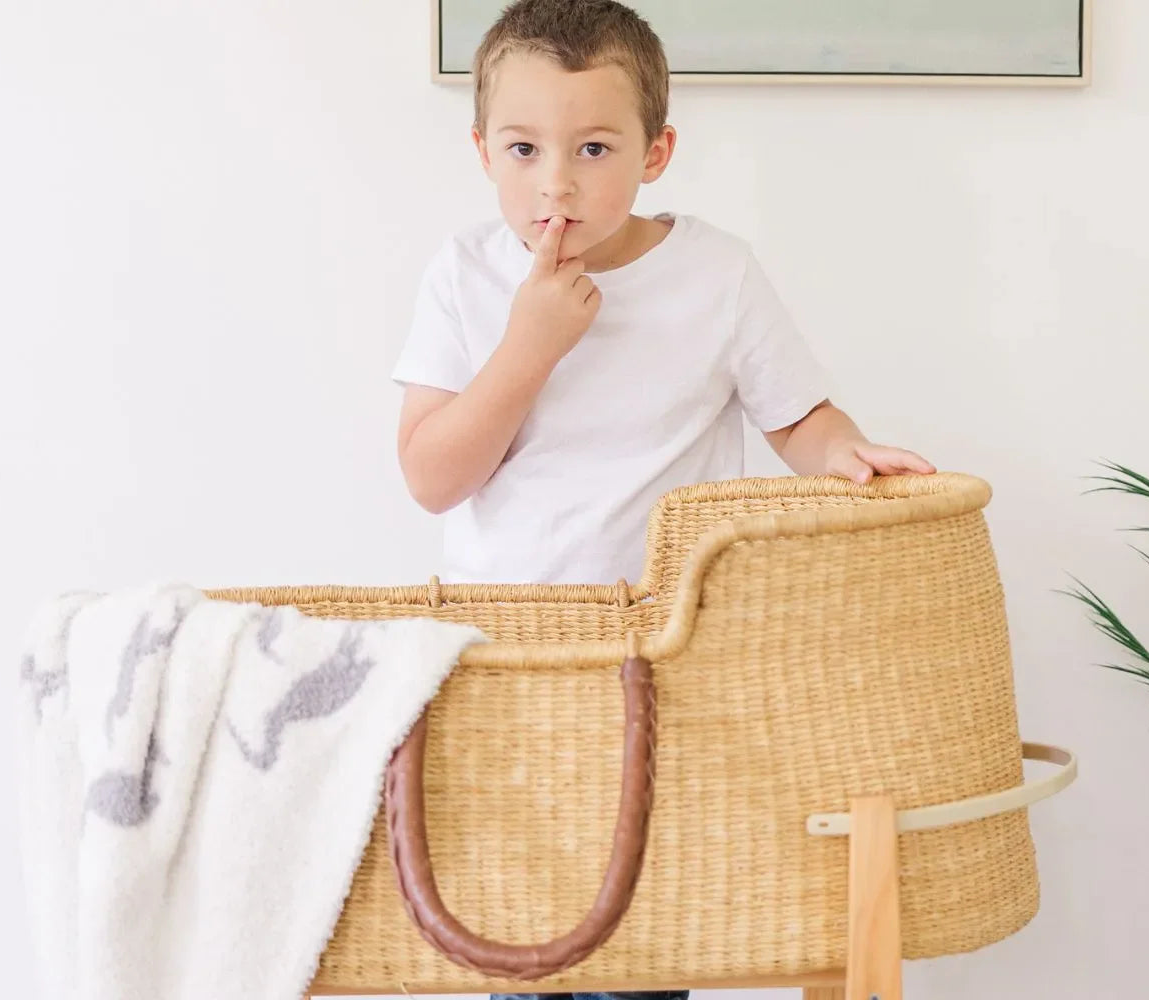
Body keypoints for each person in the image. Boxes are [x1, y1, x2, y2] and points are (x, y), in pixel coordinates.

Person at [390, 3, 935, 998]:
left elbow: (801, 419)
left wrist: (847, 455)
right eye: (524, 148)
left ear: (656, 150)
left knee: (641, 939)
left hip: (659, 661)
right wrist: (527, 348)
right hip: (498, 665)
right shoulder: (465, 275)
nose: (555, 181)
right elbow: (432, 473)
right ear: (482, 153)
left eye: (593, 147)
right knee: (502, 934)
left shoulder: (714, 275)